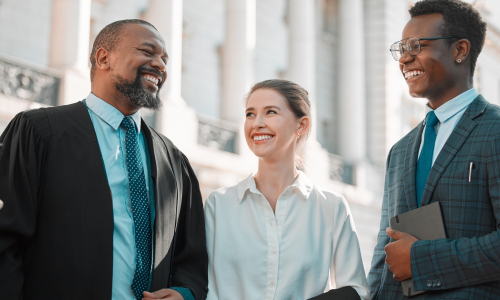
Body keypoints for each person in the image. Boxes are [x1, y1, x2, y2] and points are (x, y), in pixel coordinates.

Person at [0, 19, 207, 300]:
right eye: (148, 51)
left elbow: (191, 256)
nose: (160, 65)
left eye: (164, 58)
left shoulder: (173, 160)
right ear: (103, 58)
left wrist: (184, 293)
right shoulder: (39, 132)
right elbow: (6, 240)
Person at [367, 0, 500, 299]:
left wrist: (420, 259)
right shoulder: (400, 151)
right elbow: (383, 252)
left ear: (460, 50)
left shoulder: (495, 129)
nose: (404, 59)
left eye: (416, 46)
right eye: (401, 49)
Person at [204, 79, 370, 300]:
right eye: (250, 114)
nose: (257, 123)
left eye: (270, 112)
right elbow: (203, 285)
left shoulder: (332, 207)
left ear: (301, 126)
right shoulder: (218, 204)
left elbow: (357, 291)